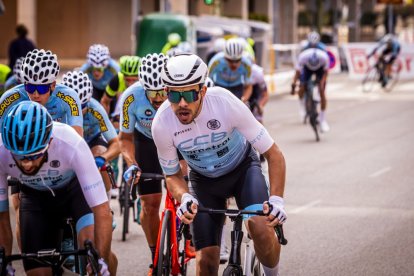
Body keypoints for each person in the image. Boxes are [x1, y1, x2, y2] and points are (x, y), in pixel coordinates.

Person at [153, 53, 287, 276]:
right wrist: (184, 197)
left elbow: (274, 154)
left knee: (261, 229)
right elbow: (172, 175)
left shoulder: (224, 103)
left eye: (189, 93)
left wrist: (277, 201)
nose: (182, 103)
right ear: (166, 92)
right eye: (175, 95)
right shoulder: (161, 123)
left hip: (242, 171)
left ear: (202, 91)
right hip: (203, 182)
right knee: (205, 262)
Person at [0, 101, 117, 275]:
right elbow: (1, 216)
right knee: (38, 273)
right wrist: (4, 262)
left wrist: (100, 261)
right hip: (35, 198)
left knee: (92, 252)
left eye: (35, 155)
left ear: (50, 142)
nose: (27, 163)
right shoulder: (1, 151)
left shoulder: (70, 142)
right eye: (19, 156)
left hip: (74, 192)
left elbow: (102, 209)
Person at [0, 49, 84, 250]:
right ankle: (29, 253)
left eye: (41, 88)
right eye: (29, 86)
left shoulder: (68, 97)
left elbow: (77, 137)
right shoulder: (10, 98)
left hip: (56, 156)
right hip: (21, 159)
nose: (35, 94)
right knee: (20, 208)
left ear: (53, 85)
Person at [118, 53, 170, 274]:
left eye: (162, 92)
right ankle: (156, 256)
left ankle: (188, 234)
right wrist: (132, 163)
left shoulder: (178, 93)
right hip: (145, 142)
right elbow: (125, 139)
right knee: (149, 203)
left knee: (187, 188)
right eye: (152, 93)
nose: (158, 99)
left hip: (174, 140)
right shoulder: (131, 97)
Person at [62, 71, 120, 199]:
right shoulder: (56, 106)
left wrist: (103, 158)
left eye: (81, 106)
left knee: (100, 160)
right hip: (68, 141)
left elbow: (116, 144)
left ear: (88, 100)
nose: (76, 111)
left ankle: (106, 201)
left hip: (92, 140)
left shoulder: (95, 109)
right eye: (72, 106)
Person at [291, 47, 330, 132]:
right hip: (307, 69)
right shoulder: (303, 57)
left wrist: (321, 84)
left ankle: (323, 120)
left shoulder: (324, 58)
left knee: (322, 91)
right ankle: (302, 107)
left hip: (320, 70)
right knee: (302, 86)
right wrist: (294, 84)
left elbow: (326, 73)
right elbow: (297, 73)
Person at [208, 38, 253, 103]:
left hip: (236, 87)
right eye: (230, 60)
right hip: (219, 86)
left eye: (237, 60)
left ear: (241, 57)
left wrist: (243, 100)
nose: (234, 64)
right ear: (225, 57)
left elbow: (248, 86)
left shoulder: (246, 64)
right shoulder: (216, 62)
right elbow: (208, 81)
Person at [80, 44, 120, 110]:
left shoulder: (115, 68)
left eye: (99, 69)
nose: (96, 73)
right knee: (93, 106)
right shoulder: (84, 70)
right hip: (95, 89)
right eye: (93, 68)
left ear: (106, 66)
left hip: (110, 89)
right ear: (90, 66)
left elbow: (120, 89)